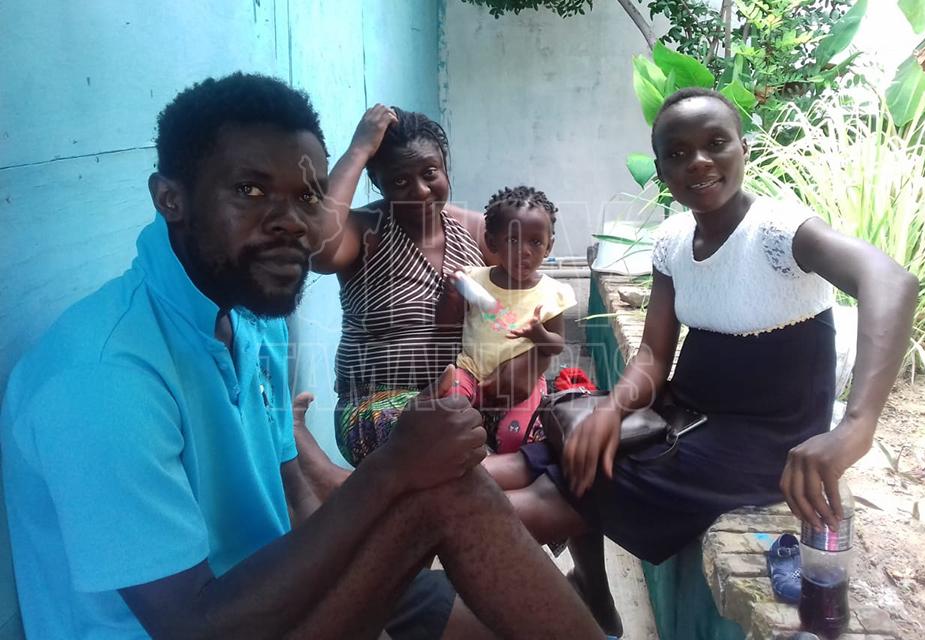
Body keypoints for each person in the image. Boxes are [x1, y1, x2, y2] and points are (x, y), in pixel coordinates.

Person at [0, 72, 605, 640]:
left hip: (280, 586)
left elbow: (294, 498)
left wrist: (385, 569)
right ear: (170, 199)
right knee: (438, 488)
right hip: (217, 623)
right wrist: (392, 473)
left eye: (308, 196)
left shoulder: (248, 319)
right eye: (251, 190)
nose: (291, 222)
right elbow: (191, 628)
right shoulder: (102, 381)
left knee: (454, 507)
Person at [483, 87, 919, 636]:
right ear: (662, 169)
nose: (699, 161)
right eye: (678, 152)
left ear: (744, 149)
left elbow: (892, 282)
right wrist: (613, 408)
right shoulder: (672, 242)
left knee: (549, 493)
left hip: (761, 440)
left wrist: (856, 427)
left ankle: (564, 607)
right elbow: (651, 356)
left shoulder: (780, 232)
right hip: (687, 414)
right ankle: (590, 594)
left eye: (716, 143)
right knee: (562, 449)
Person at [301, 107, 548, 468]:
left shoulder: (478, 232)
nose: (419, 190)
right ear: (378, 182)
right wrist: (359, 149)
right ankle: (508, 479)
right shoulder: (366, 232)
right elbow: (319, 251)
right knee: (450, 444)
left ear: (445, 167)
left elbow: (525, 310)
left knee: (556, 433)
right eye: (399, 181)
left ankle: (507, 480)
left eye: (430, 173)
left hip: (475, 395)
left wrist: (497, 343)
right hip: (380, 406)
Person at [440, 186, 576, 453]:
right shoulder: (475, 279)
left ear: (549, 246)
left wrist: (538, 335)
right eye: (513, 240)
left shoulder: (552, 293)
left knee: (516, 436)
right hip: (470, 372)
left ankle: (499, 469)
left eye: (535, 242)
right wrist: (451, 295)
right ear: (492, 243)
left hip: (524, 385)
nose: (524, 251)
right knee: (448, 413)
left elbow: (557, 344)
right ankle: (467, 459)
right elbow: (445, 324)